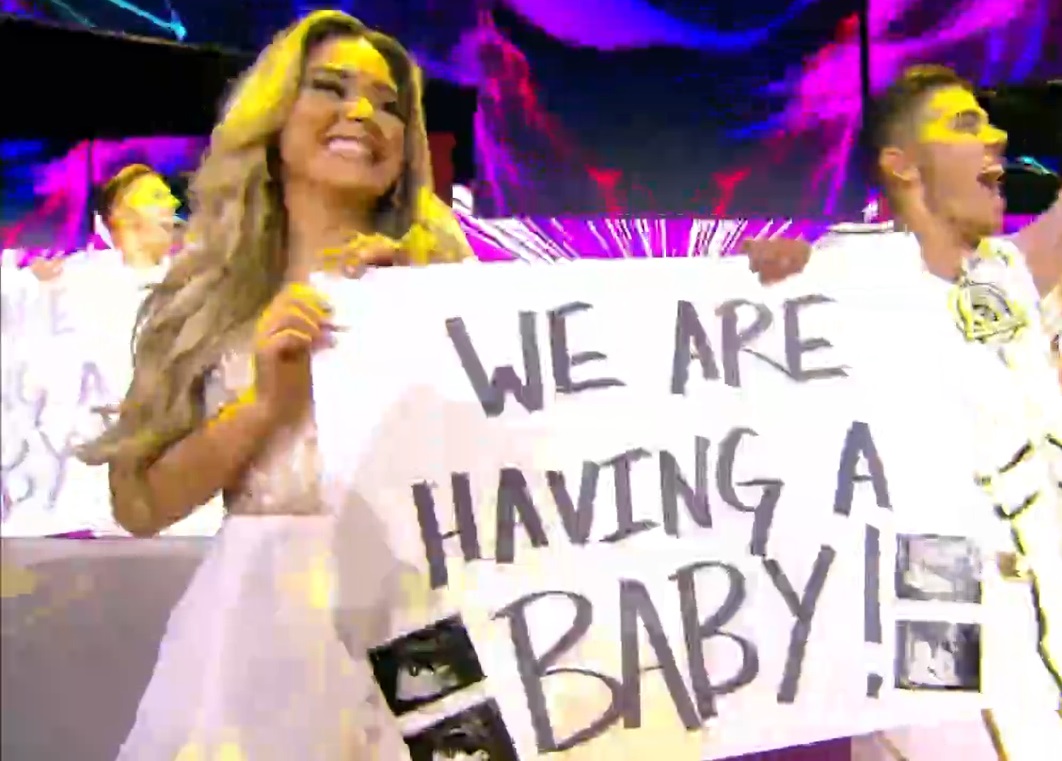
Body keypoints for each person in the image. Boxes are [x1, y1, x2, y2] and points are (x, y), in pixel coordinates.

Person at [76, 10, 471, 760]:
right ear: (275, 116)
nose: (364, 114)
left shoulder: (448, 283)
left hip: (424, 621)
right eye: (331, 88)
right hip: (260, 649)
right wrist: (266, 405)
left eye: (389, 105)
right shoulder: (203, 294)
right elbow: (140, 504)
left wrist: (415, 320)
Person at [775, 65, 1059, 761]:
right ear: (901, 166)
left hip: (1036, 591)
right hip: (935, 586)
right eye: (965, 125)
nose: (995, 137)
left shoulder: (999, 275)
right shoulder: (844, 275)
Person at [28, 164, 181, 282]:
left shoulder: (184, 278)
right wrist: (42, 282)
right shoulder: (81, 278)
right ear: (121, 211)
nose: (173, 203)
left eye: (170, 197)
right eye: (157, 196)